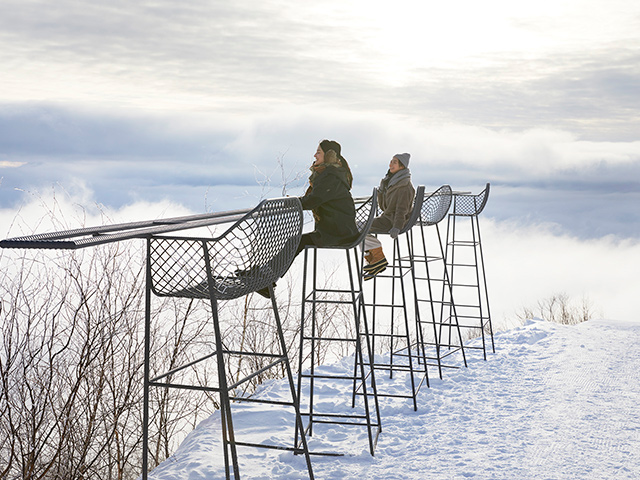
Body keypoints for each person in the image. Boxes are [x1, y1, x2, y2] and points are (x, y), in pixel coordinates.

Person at [255, 139, 359, 298]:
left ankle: (267, 279)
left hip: (338, 233)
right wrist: (295, 202)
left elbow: (313, 200)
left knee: (295, 241)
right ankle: (267, 278)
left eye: (319, 152)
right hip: (341, 230)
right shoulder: (334, 174)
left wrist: (292, 204)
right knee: (295, 241)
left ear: (329, 156)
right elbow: (315, 198)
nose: (315, 155)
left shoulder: (330, 177)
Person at [362, 153, 415, 281]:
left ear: (402, 166)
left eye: (394, 162)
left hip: (392, 221)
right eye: (391, 161)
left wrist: (396, 227)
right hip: (387, 217)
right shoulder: (392, 182)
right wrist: (381, 191)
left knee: (358, 228)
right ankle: (375, 261)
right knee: (356, 227)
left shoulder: (404, 186)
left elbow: (401, 210)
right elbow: (384, 207)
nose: (390, 164)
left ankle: (377, 259)